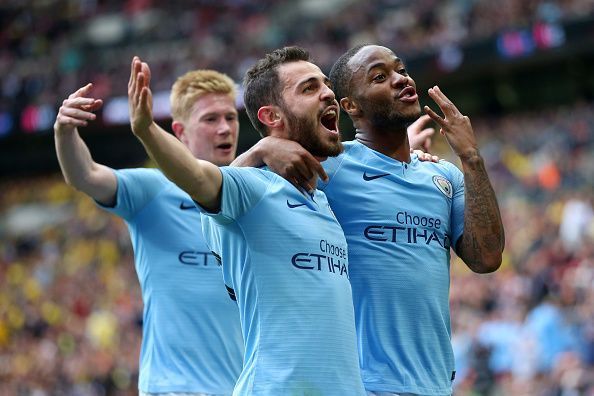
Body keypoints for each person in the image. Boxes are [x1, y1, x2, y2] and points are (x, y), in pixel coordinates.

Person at [236, 44, 505, 396]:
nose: (400, 79)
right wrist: (262, 149)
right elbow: (228, 194)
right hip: (363, 384)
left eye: (401, 69)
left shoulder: (445, 178)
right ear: (349, 106)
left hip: (435, 383)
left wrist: (471, 159)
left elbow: (486, 259)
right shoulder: (328, 167)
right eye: (380, 77)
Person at [127, 47, 367, 396]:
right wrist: (147, 130)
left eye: (326, 84)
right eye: (308, 87)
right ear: (271, 116)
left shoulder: (322, 199)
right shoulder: (253, 190)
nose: (328, 92)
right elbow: (198, 176)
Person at [53, 70, 244, 395]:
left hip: (244, 388)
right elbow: (85, 174)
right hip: (174, 388)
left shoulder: (250, 197)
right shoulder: (155, 188)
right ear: (180, 132)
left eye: (230, 116)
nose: (225, 128)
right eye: (210, 119)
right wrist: (65, 132)